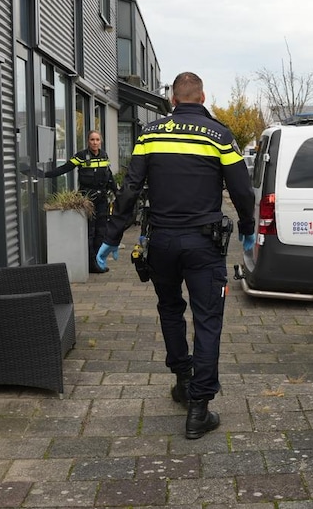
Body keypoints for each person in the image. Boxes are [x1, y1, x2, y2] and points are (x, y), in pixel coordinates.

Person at [96, 72, 256, 440]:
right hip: (203, 245)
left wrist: (112, 236)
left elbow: (130, 188)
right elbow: (242, 190)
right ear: (202, 96)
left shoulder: (150, 135)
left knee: (169, 309)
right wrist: (248, 229)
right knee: (207, 321)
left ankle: (183, 381)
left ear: (172, 100)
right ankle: (198, 409)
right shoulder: (220, 135)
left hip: (162, 243)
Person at [41, 131, 117, 274]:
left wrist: (117, 192)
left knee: (101, 232)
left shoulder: (104, 155)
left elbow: (110, 176)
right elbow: (65, 168)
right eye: (92, 140)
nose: (95, 142)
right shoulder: (81, 156)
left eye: (97, 140)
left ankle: (97, 261)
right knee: (90, 232)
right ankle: (90, 263)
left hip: (102, 200)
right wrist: (44, 175)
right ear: (88, 141)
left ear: (100, 141)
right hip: (88, 199)